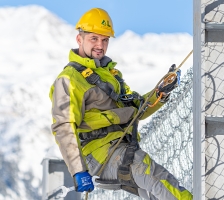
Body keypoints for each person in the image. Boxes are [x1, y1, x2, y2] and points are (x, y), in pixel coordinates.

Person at [49, 7, 193, 200]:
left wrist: (159, 94)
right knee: (150, 172)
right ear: (79, 39)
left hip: (121, 146)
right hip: (98, 153)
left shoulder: (111, 76)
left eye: (105, 40)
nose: (100, 45)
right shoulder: (69, 80)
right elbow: (64, 126)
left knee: (152, 193)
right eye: (94, 38)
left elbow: (135, 109)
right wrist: (78, 171)